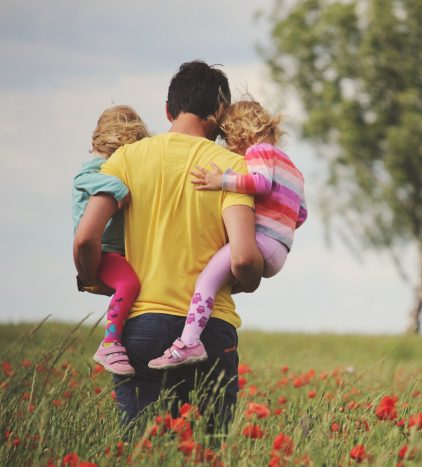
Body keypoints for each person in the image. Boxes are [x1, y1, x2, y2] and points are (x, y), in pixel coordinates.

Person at [73, 60, 263, 432]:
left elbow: (85, 238)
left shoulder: (126, 159)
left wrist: (92, 277)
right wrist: (252, 276)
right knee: (206, 452)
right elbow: (242, 258)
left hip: (140, 326)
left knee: (142, 450)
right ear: (220, 114)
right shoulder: (232, 168)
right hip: (209, 331)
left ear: (167, 109)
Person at [148, 98, 308, 369]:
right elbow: (301, 214)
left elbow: (260, 183)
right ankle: (197, 329)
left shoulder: (259, 152)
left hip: (261, 242)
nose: (228, 146)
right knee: (220, 281)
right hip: (280, 249)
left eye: (227, 138)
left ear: (240, 132)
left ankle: (188, 343)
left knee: (206, 281)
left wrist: (220, 180)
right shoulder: (293, 168)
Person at [72, 105, 148, 376]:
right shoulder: (97, 168)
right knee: (129, 284)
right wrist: (117, 187)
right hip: (103, 251)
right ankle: (110, 342)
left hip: (116, 251)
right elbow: (82, 179)